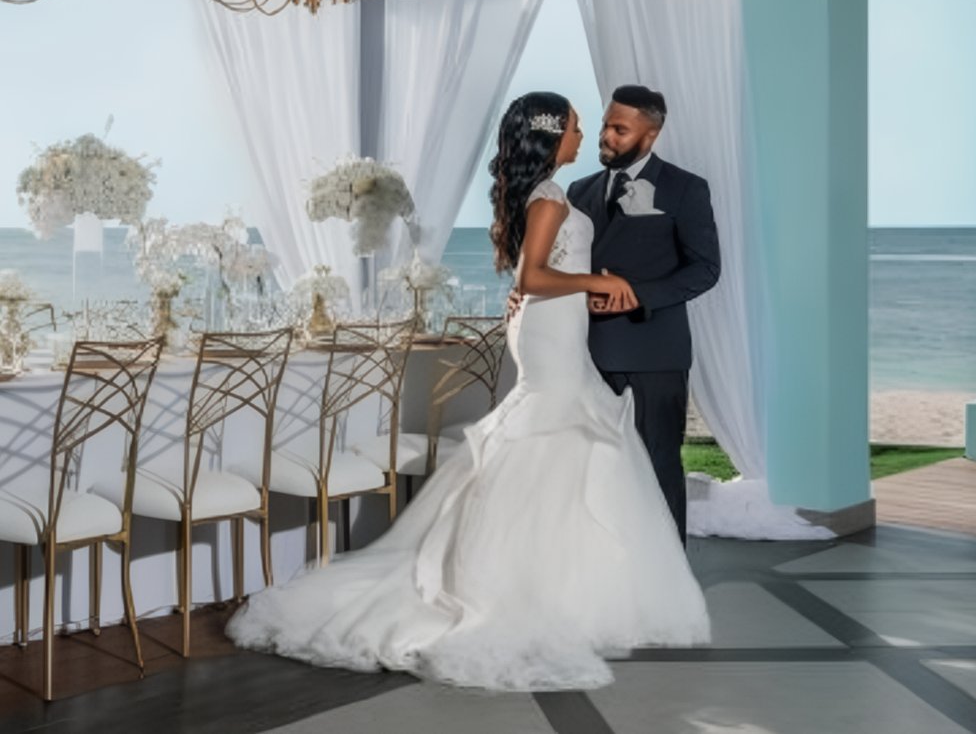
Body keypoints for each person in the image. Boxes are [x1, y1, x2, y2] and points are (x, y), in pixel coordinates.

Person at [227, 91, 709, 691]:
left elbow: (557, 272)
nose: (590, 137)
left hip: (577, 331)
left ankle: (575, 583)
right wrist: (591, 281)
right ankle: (537, 590)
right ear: (551, 136)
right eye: (582, 127)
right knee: (554, 439)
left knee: (582, 449)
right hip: (558, 334)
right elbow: (536, 271)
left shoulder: (594, 193)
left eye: (603, 127)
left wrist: (566, 289)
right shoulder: (561, 194)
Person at [568, 85, 720, 544]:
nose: (605, 136)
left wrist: (637, 295)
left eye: (619, 129)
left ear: (649, 136)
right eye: (604, 125)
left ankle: (670, 573)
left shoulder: (685, 188)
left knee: (657, 466)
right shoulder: (579, 190)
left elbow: (706, 269)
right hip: (586, 353)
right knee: (592, 468)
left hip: (655, 353)